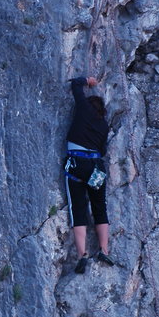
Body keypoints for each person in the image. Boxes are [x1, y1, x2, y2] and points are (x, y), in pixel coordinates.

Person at [64, 76, 114, 274]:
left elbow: (76, 85)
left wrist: (87, 80)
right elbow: (102, 150)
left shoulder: (83, 109)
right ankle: (104, 249)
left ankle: (83, 253)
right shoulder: (103, 125)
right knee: (100, 207)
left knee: (78, 208)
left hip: (77, 164)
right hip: (97, 167)